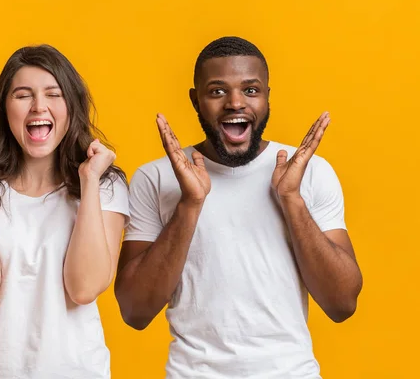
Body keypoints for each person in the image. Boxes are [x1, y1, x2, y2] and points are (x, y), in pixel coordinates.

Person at [115, 36, 363, 378]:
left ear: (266, 97)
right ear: (195, 100)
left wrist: (291, 199)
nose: (235, 103)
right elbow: (134, 311)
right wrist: (190, 205)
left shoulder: (310, 172)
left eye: (250, 90)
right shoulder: (156, 177)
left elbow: (342, 303)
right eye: (217, 91)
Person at [0, 45, 129, 378]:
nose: (39, 106)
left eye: (53, 94)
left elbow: (84, 288)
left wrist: (89, 180)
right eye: (23, 95)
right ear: (4, 108)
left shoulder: (104, 183)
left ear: (71, 107)